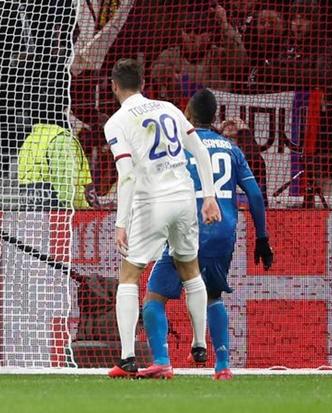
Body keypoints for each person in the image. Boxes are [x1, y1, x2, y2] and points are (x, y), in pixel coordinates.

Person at [139, 89, 274, 380]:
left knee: (154, 298)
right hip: (222, 232)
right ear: (214, 117)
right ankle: (223, 365)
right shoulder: (231, 149)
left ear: (187, 112)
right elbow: (254, 194)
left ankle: (162, 360)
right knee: (212, 296)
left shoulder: (178, 145)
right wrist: (262, 237)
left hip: (187, 229)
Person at [104, 59, 221, 378]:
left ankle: (127, 356)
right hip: (184, 198)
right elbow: (199, 149)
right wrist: (208, 195)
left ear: (115, 86)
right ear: (142, 82)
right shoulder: (169, 107)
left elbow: (126, 174)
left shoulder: (117, 121)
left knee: (129, 274)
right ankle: (199, 343)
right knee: (189, 268)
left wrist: (120, 221)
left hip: (150, 201)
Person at [17, 122, 94, 209]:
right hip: (59, 216)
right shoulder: (62, 140)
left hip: (31, 216)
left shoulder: (30, 141)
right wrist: (89, 213)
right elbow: (69, 194)